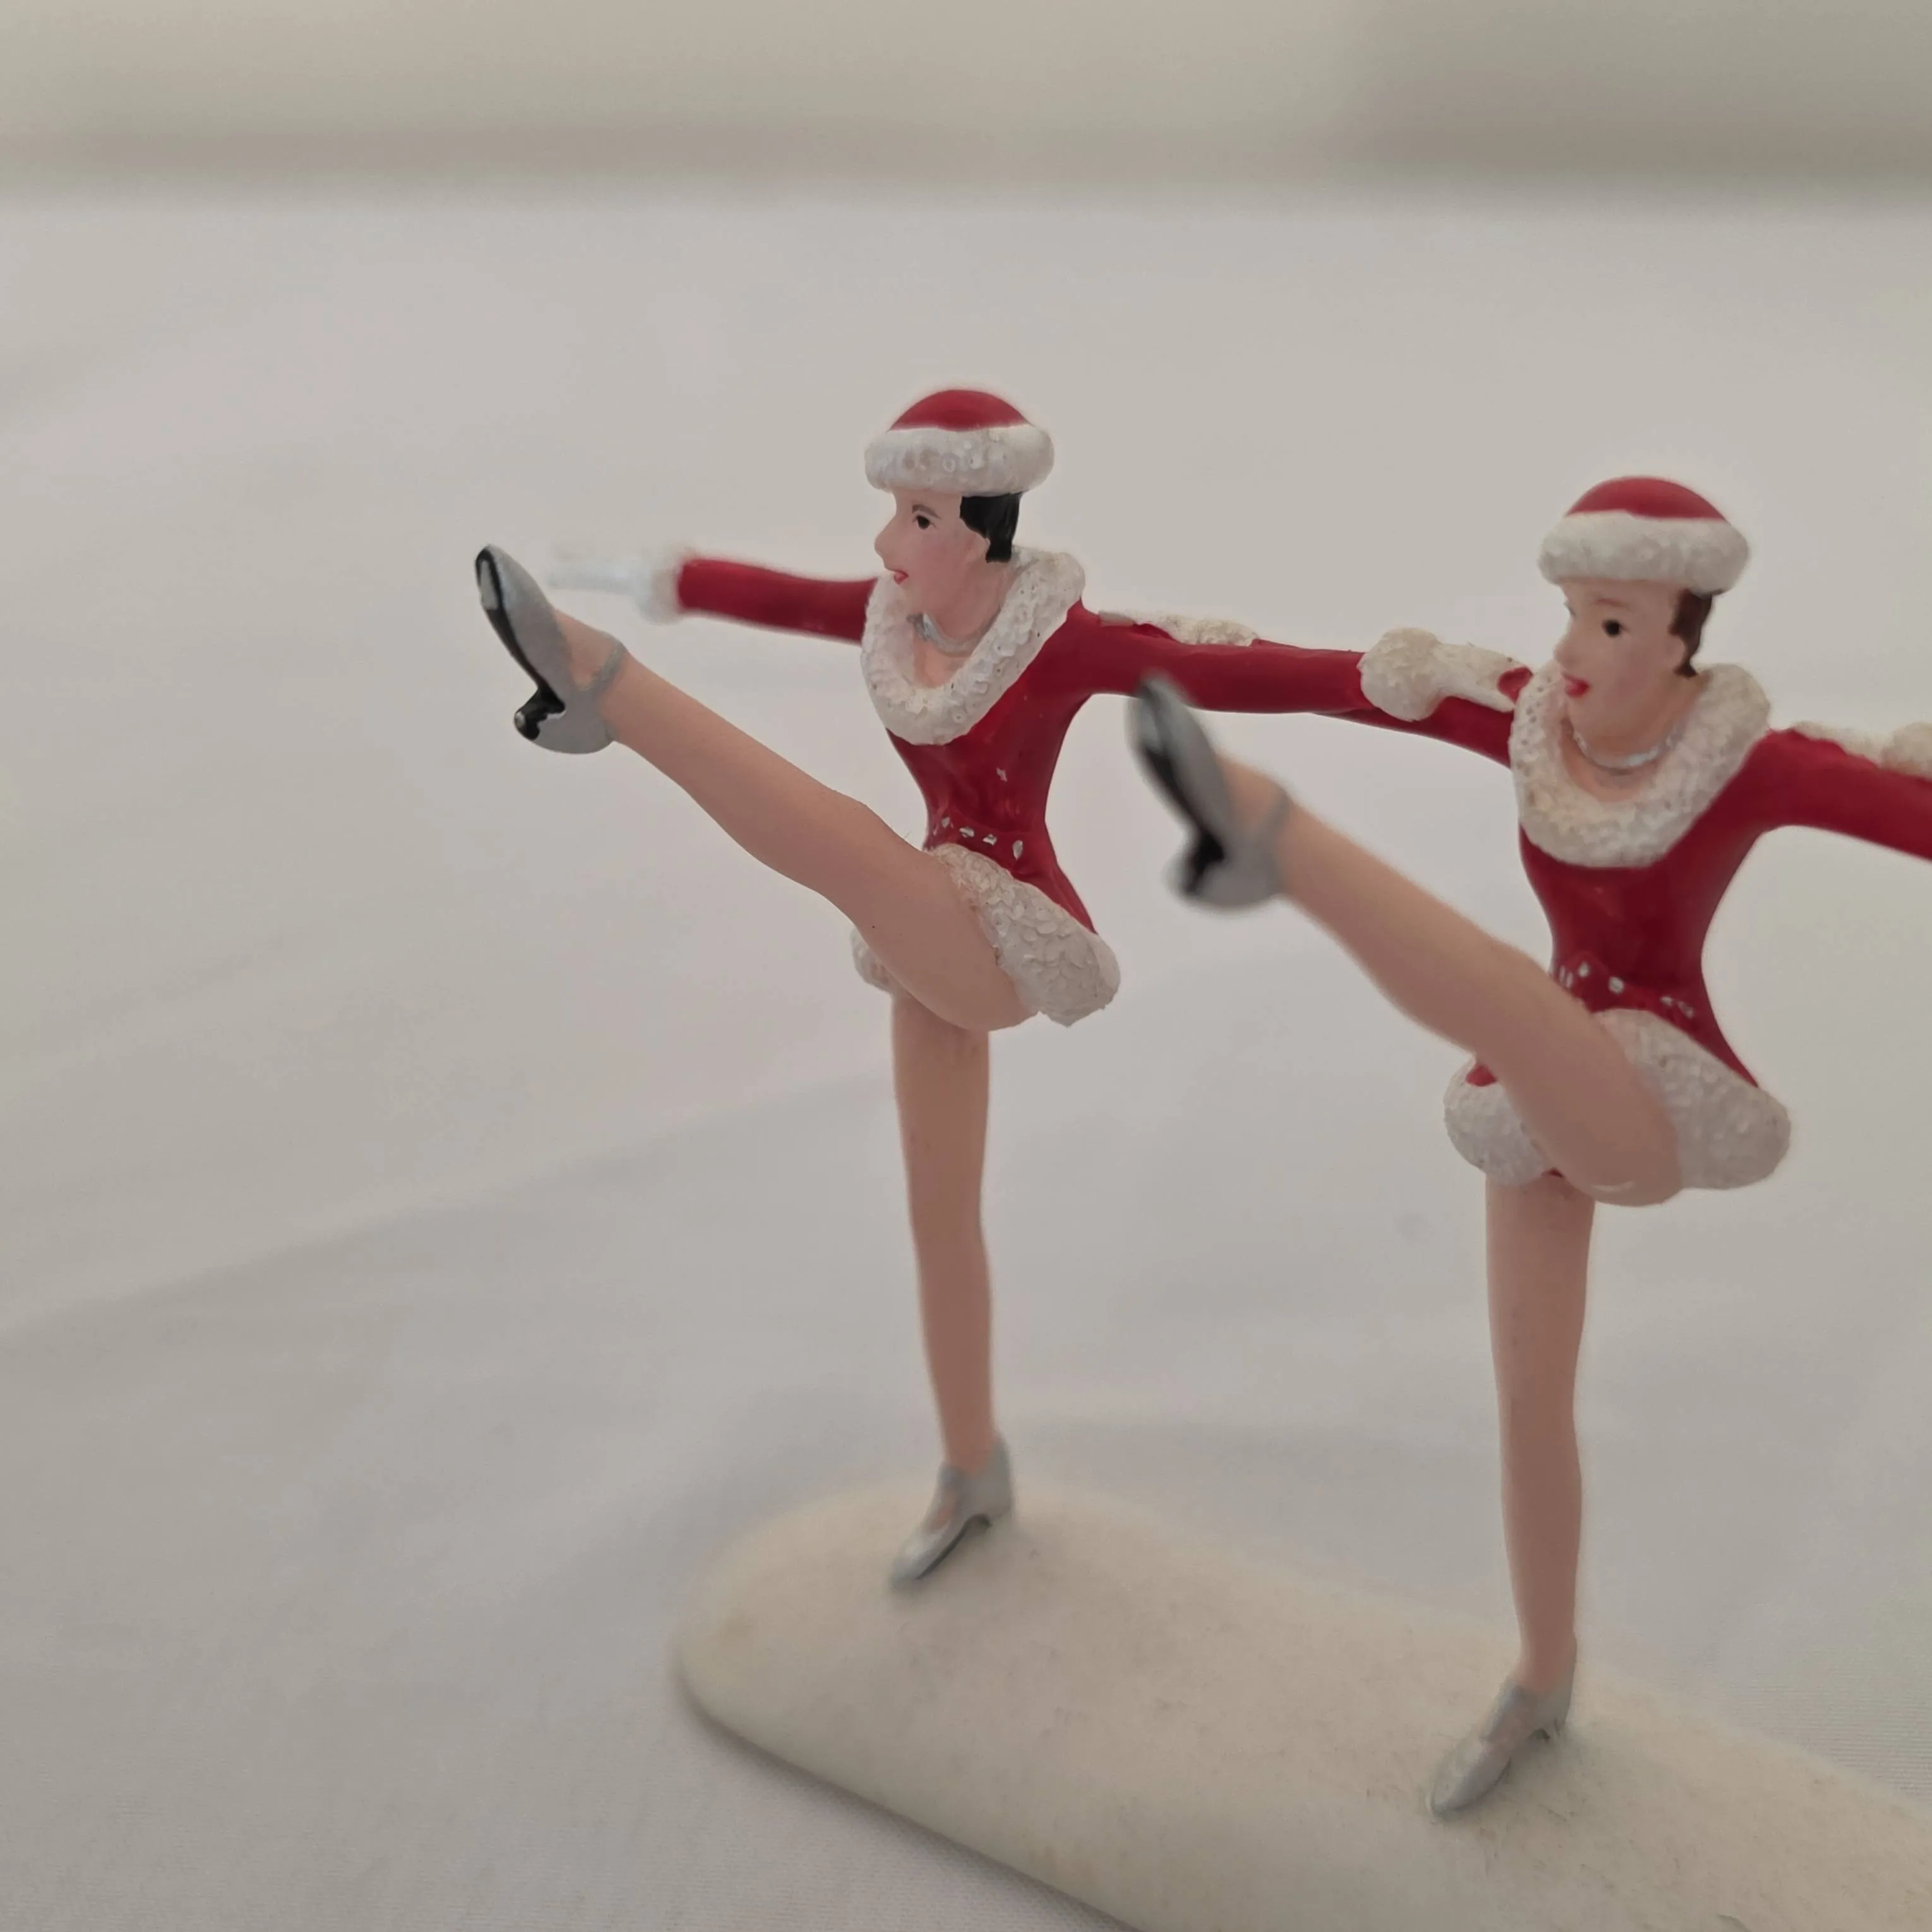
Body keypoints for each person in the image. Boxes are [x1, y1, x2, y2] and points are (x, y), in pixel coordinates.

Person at [472, 388, 1380, 1586]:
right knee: (939, 1220)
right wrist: (665, 574)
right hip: (922, 937)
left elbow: (1245, 671)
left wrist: (1427, 688)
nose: (888, 543)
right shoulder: (897, 616)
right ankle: (971, 1469)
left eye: (919, 520)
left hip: (997, 936)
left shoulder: (1057, 639)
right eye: (892, 512)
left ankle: (605, 688)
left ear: (986, 529)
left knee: (845, 844)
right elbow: (784, 598)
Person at [1129, 475, 1932, 1815]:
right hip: (1535, 1095)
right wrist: (1154, 660)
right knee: (1528, 1401)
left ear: (1683, 634)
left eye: (1610, 625)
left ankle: (1272, 837)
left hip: (1651, 1089)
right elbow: (1353, 685)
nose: (1572, 651)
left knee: (1519, 1003)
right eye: (1570, 614)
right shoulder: (1531, 719)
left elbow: (1906, 812)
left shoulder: (1749, 760)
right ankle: (1539, 1679)